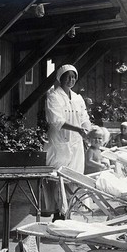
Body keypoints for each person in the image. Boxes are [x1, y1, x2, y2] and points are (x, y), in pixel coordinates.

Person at [44, 64, 91, 220]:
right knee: (59, 179)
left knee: (74, 179)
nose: (71, 80)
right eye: (68, 76)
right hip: (59, 144)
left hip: (76, 144)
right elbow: (56, 121)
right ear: (60, 78)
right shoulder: (53, 96)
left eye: (73, 77)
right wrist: (78, 129)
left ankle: (68, 213)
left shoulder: (78, 98)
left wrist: (87, 132)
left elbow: (84, 118)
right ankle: (58, 214)